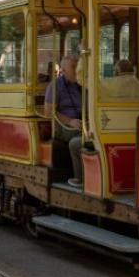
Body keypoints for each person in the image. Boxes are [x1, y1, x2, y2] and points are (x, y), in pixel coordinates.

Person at [44, 53, 83, 187]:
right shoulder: (55, 86)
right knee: (82, 137)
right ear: (64, 70)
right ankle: (80, 177)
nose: (78, 70)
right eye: (74, 67)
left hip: (82, 123)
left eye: (79, 66)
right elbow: (48, 112)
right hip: (62, 127)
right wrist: (70, 121)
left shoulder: (82, 85)